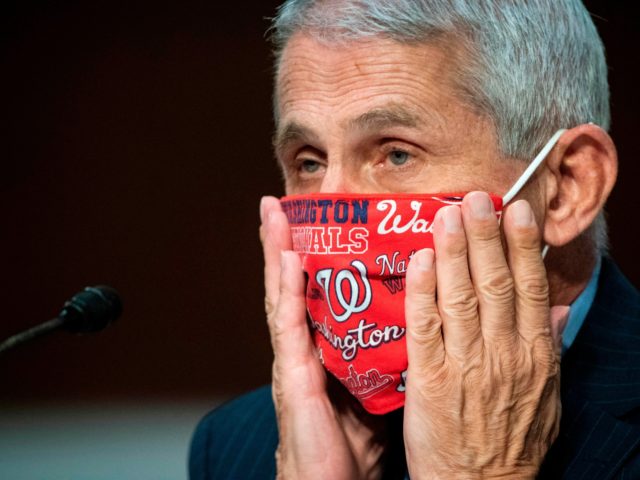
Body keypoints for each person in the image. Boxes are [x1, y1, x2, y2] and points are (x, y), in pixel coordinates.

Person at [189, 1, 640, 478]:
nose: (334, 205)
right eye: (309, 162)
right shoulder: (235, 447)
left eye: (397, 154)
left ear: (567, 188)